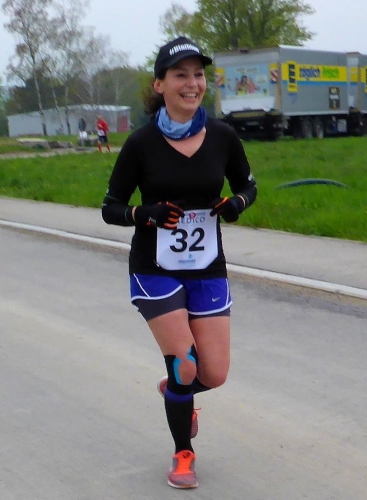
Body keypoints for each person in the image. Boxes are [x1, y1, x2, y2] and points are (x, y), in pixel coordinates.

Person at [101, 37, 258, 489]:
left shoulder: (224, 137)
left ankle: (177, 391)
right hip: (154, 268)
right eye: (180, 75)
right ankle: (183, 454)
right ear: (160, 85)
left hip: (207, 267)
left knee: (214, 373)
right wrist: (145, 214)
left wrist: (236, 204)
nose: (192, 84)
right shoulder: (141, 143)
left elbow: (248, 187)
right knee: (185, 365)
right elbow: (111, 207)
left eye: (198, 75)